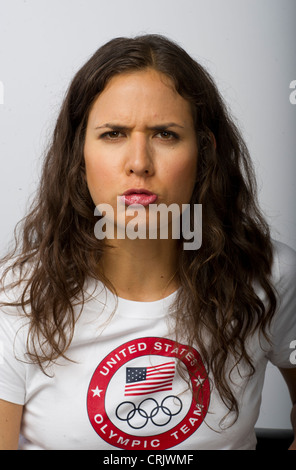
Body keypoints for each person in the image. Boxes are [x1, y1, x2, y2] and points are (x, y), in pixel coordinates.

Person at [0, 34, 295, 451]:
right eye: (114, 134)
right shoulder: (15, 295)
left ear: (205, 153)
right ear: (78, 153)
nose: (139, 162)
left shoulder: (271, 277)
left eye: (165, 135)